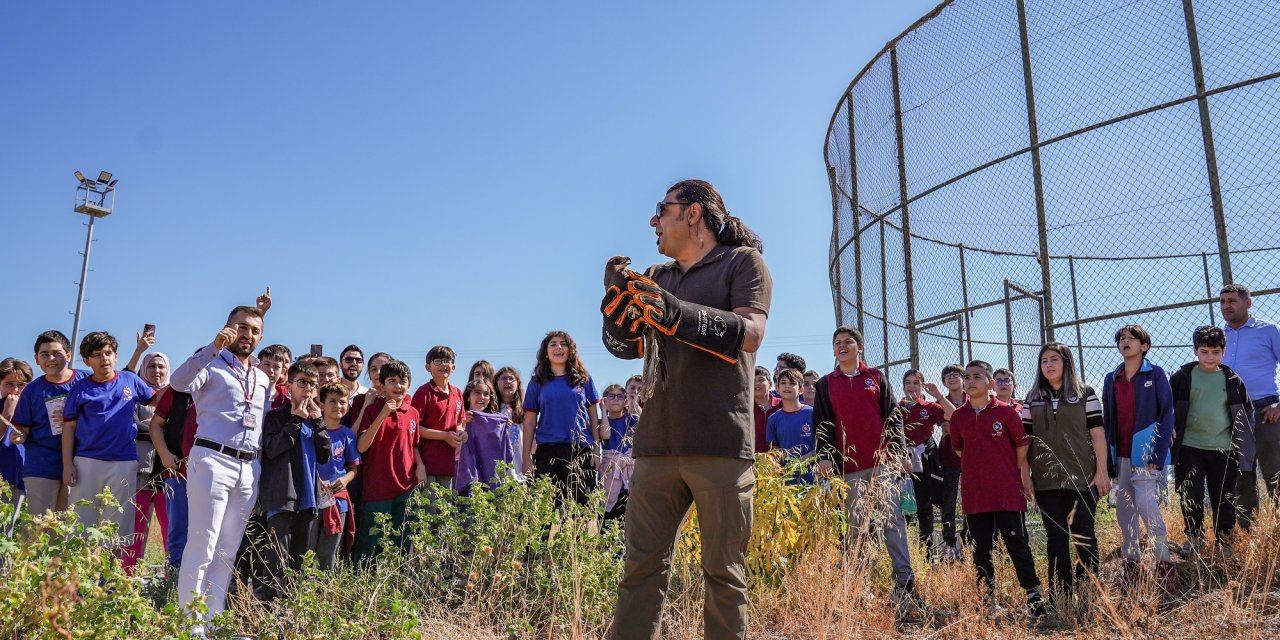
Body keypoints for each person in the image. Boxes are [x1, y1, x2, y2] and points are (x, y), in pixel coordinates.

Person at [603, 179, 770, 640]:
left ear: (693, 213)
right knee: (639, 573)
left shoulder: (742, 263)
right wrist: (613, 316)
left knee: (724, 578)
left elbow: (752, 334)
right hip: (656, 445)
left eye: (663, 209)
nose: (654, 221)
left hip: (720, 445)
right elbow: (628, 347)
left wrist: (679, 315)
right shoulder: (656, 276)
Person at [170, 297, 272, 632]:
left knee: (227, 549)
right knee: (203, 542)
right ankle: (190, 624)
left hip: (248, 467)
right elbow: (178, 383)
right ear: (229, 328)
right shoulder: (211, 364)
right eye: (242, 327)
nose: (248, 334)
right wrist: (213, 347)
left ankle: (212, 622)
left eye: (255, 330)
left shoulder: (261, 377)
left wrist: (261, 315)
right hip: (212, 458)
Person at [813, 326, 917, 606]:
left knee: (893, 523)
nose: (842, 346)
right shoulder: (825, 384)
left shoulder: (876, 377)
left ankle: (905, 586)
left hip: (883, 465)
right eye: (837, 343)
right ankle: (860, 588)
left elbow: (893, 418)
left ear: (860, 347)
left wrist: (900, 451)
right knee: (857, 527)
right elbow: (822, 423)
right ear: (833, 349)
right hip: (850, 469)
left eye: (848, 342)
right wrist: (824, 456)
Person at [951, 360, 1044, 619]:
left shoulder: (1006, 412)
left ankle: (1033, 595)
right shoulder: (959, 416)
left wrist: (1012, 471)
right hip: (975, 493)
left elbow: (1021, 445)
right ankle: (986, 598)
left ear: (990, 383)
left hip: (1006, 492)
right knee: (981, 547)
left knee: (1017, 544)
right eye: (967, 377)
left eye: (977, 376)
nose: (970, 381)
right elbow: (959, 449)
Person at [1023, 342, 1109, 595]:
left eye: (1054, 359)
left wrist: (1102, 471)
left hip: (1082, 478)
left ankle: (1087, 594)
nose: (1048, 365)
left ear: (1066, 362)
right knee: (1056, 539)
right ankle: (1060, 595)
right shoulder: (1033, 398)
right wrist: (1025, 474)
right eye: (1044, 361)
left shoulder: (1085, 393)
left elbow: (1097, 434)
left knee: (1084, 537)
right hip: (1045, 481)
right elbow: (1024, 440)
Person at [1101, 327, 1178, 592]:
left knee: (1147, 505)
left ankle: (1164, 564)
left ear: (1144, 346)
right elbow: (1108, 420)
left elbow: (1167, 414)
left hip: (1146, 455)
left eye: (1131, 339)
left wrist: (1157, 453)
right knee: (1125, 511)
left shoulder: (1155, 374)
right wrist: (1109, 460)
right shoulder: (1112, 378)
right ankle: (1132, 566)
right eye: (1121, 339)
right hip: (1120, 453)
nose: (1125, 342)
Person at [61, 331, 156, 542]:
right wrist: (67, 464)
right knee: (81, 521)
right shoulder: (80, 389)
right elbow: (68, 428)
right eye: (97, 355)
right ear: (86, 360)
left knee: (117, 522)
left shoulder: (130, 379)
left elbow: (157, 401)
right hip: (87, 460)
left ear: (116, 356)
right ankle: (82, 572)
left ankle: (110, 573)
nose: (104, 358)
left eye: (108, 353)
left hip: (123, 460)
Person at [1171, 325, 1254, 558]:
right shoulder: (1182, 377)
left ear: (1223, 352)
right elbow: (1168, 409)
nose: (1210, 357)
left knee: (1223, 498)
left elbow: (1246, 414)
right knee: (1191, 494)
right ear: (1195, 350)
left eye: (1215, 352)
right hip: (1190, 447)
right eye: (1204, 351)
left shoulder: (1232, 380)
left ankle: (1225, 542)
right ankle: (1194, 538)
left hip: (1224, 449)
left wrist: (1243, 444)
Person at [257, 361, 331, 600]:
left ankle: (292, 615)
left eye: (313, 384)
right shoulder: (276, 416)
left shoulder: (316, 419)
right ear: (289, 386)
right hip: (281, 497)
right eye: (302, 383)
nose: (308, 389)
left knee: (301, 562)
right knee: (276, 559)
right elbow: (272, 449)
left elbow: (325, 455)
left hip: (309, 501)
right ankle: (269, 613)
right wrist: (295, 420)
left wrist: (319, 422)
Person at [1219, 283, 1280, 528]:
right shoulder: (1218, 336)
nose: (1226, 306)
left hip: (1267, 412)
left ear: (1248, 303)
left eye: (1232, 301)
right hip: (1231, 413)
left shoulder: (1269, 330)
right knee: (1241, 477)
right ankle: (1249, 536)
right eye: (1222, 302)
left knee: (1275, 474)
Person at [353, 359, 425, 565]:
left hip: (405, 487)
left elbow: (414, 445)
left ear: (409, 385)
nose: (398, 386)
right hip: (377, 489)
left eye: (403, 381)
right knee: (370, 542)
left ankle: (395, 585)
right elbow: (361, 446)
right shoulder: (372, 411)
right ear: (382, 386)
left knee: (400, 542)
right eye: (392, 381)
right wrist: (383, 414)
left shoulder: (413, 413)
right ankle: (362, 583)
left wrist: (420, 466)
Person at [11, 330, 87, 515]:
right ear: (37, 359)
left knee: (72, 524)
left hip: (81, 461)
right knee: (41, 526)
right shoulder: (32, 390)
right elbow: (23, 428)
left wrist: (73, 417)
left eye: (56, 353)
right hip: (41, 464)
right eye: (44, 354)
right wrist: (19, 435)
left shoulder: (85, 381)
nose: (50, 358)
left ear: (69, 355)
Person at [521, 331, 600, 506]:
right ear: (546, 352)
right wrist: (526, 457)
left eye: (563, 344)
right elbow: (529, 422)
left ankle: (575, 535)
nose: (558, 347)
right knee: (545, 508)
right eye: (553, 344)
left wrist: (596, 450)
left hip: (579, 449)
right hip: (546, 451)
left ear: (570, 350)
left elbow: (594, 416)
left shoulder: (583, 379)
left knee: (580, 507)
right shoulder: (536, 383)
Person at [123, 350, 172, 574]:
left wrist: (152, 425)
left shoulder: (175, 396)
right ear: (143, 369)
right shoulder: (134, 396)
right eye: (152, 366)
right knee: (134, 532)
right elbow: (129, 426)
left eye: (161, 366)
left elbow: (176, 430)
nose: (157, 371)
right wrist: (156, 426)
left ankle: (172, 578)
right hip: (139, 473)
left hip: (167, 474)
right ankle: (127, 581)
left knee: (171, 530)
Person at [150, 382, 199, 571]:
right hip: (178, 472)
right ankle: (174, 580)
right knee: (178, 529)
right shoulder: (178, 391)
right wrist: (164, 455)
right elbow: (156, 424)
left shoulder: (222, 391)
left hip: (212, 475)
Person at [899, 368, 945, 558]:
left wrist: (939, 396)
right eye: (908, 382)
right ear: (902, 386)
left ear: (922, 386)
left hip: (925, 463)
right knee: (905, 508)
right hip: (901, 465)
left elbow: (952, 417)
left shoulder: (930, 407)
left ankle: (926, 553)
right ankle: (907, 554)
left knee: (925, 507)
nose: (912, 387)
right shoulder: (895, 408)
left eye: (916, 383)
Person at [314, 382, 360, 570]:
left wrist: (345, 479)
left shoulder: (348, 435)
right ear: (321, 404)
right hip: (312, 498)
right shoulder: (311, 430)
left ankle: (325, 590)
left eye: (342, 402)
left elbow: (353, 468)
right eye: (332, 401)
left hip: (337, 500)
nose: (338, 406)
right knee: (308, 548)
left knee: (330, 550)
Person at [924, 363, 965, 561]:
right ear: (943, 382)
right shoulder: (942, 402)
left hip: (972, 457)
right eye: (947, 375)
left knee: (972, 499)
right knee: (949, 500)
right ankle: (949, 543)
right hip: (949, 456)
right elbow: (947, 428)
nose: (952, 377)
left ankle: (969, 539)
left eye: (956, 374)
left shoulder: (971, 398)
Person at [411, 346, 466, 491]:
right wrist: (444, 436)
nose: (443, 364)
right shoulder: (424, 392)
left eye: (447, 360)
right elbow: (415, 429)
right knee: (429, 508)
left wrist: (461, 433)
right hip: (426, 462)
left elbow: (459, 422)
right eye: (438, 361)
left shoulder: (458, 393)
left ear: (453, 367)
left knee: (445, 510)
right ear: (428, 367)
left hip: (447, 463)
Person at [453, 378, 515, 495]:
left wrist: (501, 426)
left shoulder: (497, 421)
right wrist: (462, 422)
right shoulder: (458, 417)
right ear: (468, 396)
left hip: (488, 475)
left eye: (486, 394)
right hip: (464, 473)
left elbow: (505, 452)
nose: (482, 397)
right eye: (477, 392)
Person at [765, 368, 815, 486]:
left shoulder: (812, 414)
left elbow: (824, 444)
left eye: (792, 383)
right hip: (787, 481)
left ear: (801, 389)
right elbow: (774, 450)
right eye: (783, 383)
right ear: (777, 388)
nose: (787, 386)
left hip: (813, 478)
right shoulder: (773, 419)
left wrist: (807, 458)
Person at [599, 383, 639, 521]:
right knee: (609, 517)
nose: (615, 399)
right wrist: (603, 411)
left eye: (620, 396)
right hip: (611, 475)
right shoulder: (602, 422)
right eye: (611, 396)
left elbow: (644, 424)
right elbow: (605, 435)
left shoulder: (631, 420)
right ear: (604, 400)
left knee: (631, 517)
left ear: (625, 400)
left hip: (629, 474)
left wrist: (634, 403)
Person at [0, 358, 33, 503]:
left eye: (21, 385)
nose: (15, 390)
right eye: (9, 384)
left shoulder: (32, 409)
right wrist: (7, 413)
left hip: (21, 479)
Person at [495, 366, 526, 480]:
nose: (507, 381)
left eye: (511, 378)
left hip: (520, 464)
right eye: (503, 378)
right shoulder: (492, 409)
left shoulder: (525, 408)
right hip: (498, 467)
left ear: (518, 383)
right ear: (496, 384)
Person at [752, 366, 779, 455]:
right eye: (753, 380)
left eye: (761, 379)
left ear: (770, 384)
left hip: (781, 460)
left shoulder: (782, 405)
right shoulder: (745, 408)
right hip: (753, 462)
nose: (757, 383)